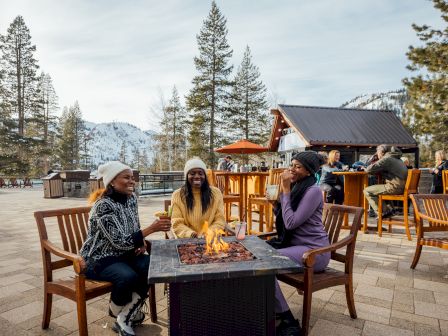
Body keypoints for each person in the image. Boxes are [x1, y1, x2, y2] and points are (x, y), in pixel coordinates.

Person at [79, 161, 171, 336]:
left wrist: (140, 242)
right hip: (98, 259)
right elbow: (119, 241)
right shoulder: (103, 206)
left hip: (124, 254)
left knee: (152, 266)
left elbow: (134, 227)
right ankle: (118, 311)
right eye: (126, 177)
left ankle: (124, 316)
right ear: (112, 181)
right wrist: (152, 229)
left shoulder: (131, 199)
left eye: (132, 177)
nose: (132, 181)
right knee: (128, 277)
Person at [266, 151, 329, 336]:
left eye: (297, 166)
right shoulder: (299, 187)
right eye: (291, 165)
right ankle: (268, 310)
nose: (292, 169)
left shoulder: (314, 191)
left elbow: (292, 222)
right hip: (296, 247)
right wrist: (275, 204)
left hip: (314, 252)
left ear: (309, 171)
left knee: (266, 264)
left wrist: (285, 189)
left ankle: (287, 321)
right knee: (257, 254)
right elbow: (287, 218)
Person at [171, 157, 226, 238]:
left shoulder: (216, 193)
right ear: (186, 176)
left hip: (210, 239)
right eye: (192, 173)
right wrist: (192, 235)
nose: (197, 176)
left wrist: (208, 233)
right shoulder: (177, 195)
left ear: (205, 176)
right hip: (186, 240)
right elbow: (177, 223)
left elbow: (220, 220)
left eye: (200, 173)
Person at [362, 145, 408, 218]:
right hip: (403, 188)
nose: (377, 154)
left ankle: (383, 211)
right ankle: (390, 210)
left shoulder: (387, 159)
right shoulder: (398, 159)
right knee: (379, 189)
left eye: (377, 153)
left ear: (382, 152)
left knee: (367, 191)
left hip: (395, 188)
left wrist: (371, 162)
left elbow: (369, 170)